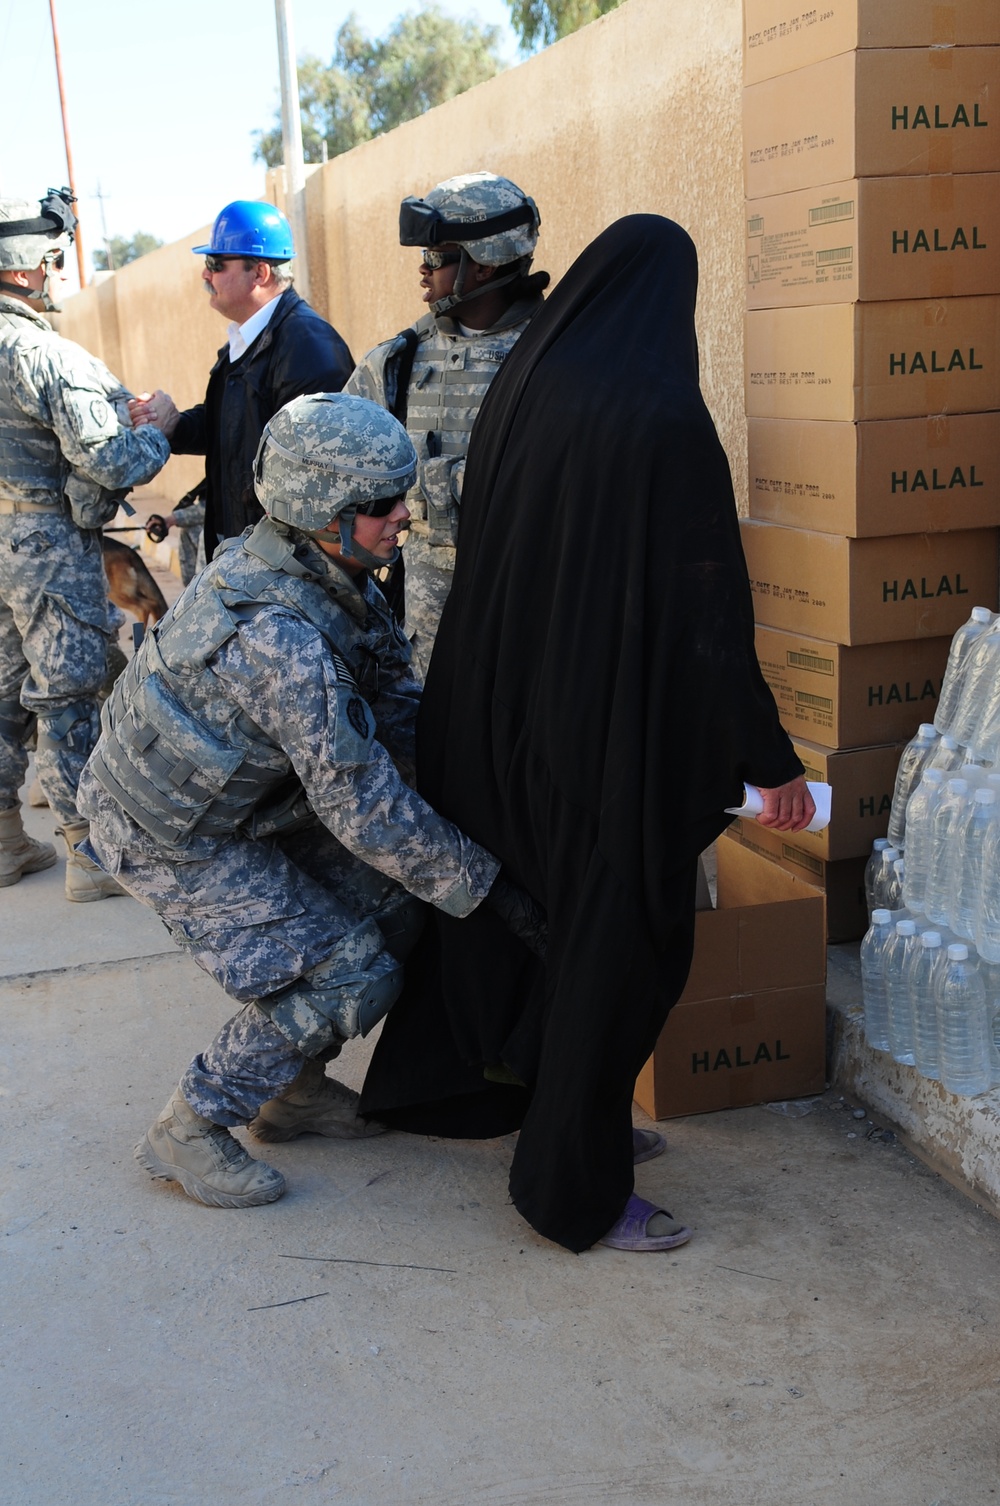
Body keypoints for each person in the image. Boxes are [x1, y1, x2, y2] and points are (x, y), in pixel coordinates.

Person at [358, 215, 815, 1254]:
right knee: (621, 949)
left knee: (531, 927)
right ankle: (577, 1185)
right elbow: (706, 621)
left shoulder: (527, 383)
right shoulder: (660, 417)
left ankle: (515, 1100)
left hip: (498, 720)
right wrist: (768, 762)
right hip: (603, 746)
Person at [77, 392, 541, 1210]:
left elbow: (401, 713)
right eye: (380, 506)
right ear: (321, 512)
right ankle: (193, 1124)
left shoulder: (326, 576)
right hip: (167, 836)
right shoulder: (279, 637)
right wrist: (495, 889)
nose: (404, 517)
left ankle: (290, 1091)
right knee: (345, 974)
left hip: (236, 807)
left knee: (394, 907)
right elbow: (367, 808)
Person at [0, 188, 170, 900]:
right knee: (69, 689)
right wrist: (156, 425)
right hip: (45, 542)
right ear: (33, 264)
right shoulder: (44, 354)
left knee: (5, 688)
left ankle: (6, 842)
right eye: (55, 259)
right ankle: (88, 853)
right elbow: (112, 462)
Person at [347, 171, 548, 675]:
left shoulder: (554, 356)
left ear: (482, 266)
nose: (422, 270)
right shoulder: (400, 361)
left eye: (437, 257)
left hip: (531, 608)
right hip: (429, 629)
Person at [130, 199, 353, 559]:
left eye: (215, 265)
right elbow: (229, 427)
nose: (205, 275)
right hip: (245, 552)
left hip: (286, 561)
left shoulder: (307, 345)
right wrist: (172, 425)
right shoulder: (244, 342)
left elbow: (316, 472)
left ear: (260, 273)